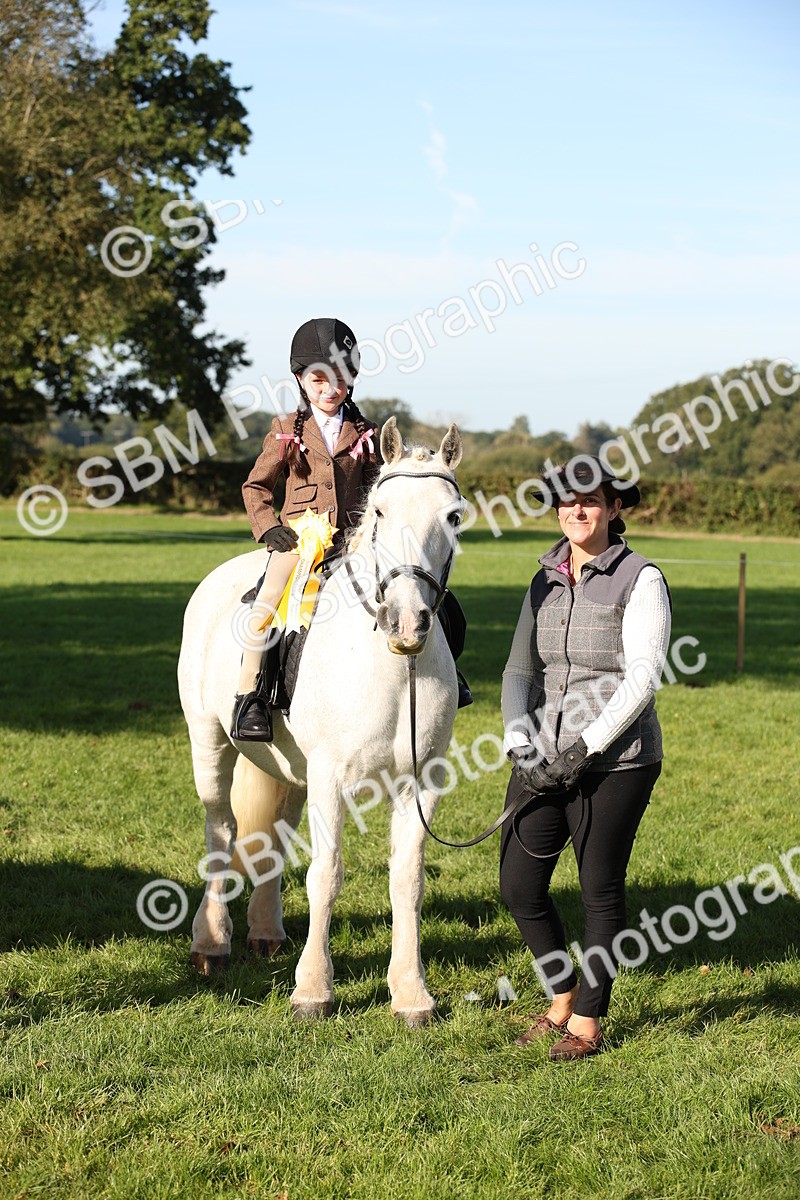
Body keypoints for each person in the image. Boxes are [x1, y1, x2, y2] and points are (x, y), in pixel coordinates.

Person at [499, 455, 671, 1061]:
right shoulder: (542, 577)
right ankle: (563, 989)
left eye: (592, 500)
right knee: (519, 888)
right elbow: (520, 670)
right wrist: (521, 743)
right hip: (542, 756)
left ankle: (587, 1019)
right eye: (568, 500)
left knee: (599, 889)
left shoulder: (640, 578)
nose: (578, 509)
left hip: (617, 760)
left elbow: (643, 678)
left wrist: (585, 748)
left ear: (614, 507)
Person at [231, 317, 380, 741]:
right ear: (300, 379)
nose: (330, 390)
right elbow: (255, 485)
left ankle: (446, 673)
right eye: (319, 379)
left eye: (340, 379)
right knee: (270, 599)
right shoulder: (285, 429)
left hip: (354, 544)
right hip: (299, 541)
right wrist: (268, 528)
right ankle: (250, 696)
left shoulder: (367, 432)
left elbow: (379, 490)